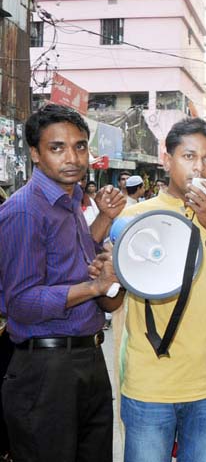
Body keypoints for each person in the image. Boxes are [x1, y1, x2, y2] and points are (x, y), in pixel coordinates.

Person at [119, 118, 206, 462]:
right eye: (189, 156)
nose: (200, 167)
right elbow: (109, 298)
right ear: (167, 159)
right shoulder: (135, 217)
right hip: (149, 384)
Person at [0, 104, 126, 462]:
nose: (72, 157)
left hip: (86, 357)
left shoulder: (69, 200)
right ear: (36, 154)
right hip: (45, 369)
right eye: (57, 148)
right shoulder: (25, 211)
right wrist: (95, 288)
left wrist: (104, 219)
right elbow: (20, 302)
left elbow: (74, 262)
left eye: (80, 146)